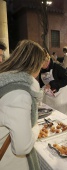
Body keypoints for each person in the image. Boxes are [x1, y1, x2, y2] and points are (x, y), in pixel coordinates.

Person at [0, 40, 46, 170]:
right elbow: (22, 147)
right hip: (10, 163)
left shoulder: (5, 81)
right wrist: (36, 128)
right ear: (35, 64)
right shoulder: (19, 95)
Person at [39, 49, 67, 117]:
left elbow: (66, 79)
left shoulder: (57, 67)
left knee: (63, 116)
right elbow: (41, 84)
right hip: (50, 97)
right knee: (51, 115)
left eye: (41, 63)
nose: (40, 66)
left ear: (47, 60)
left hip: (61, 96)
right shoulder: (41, 70)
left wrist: (52, 84)